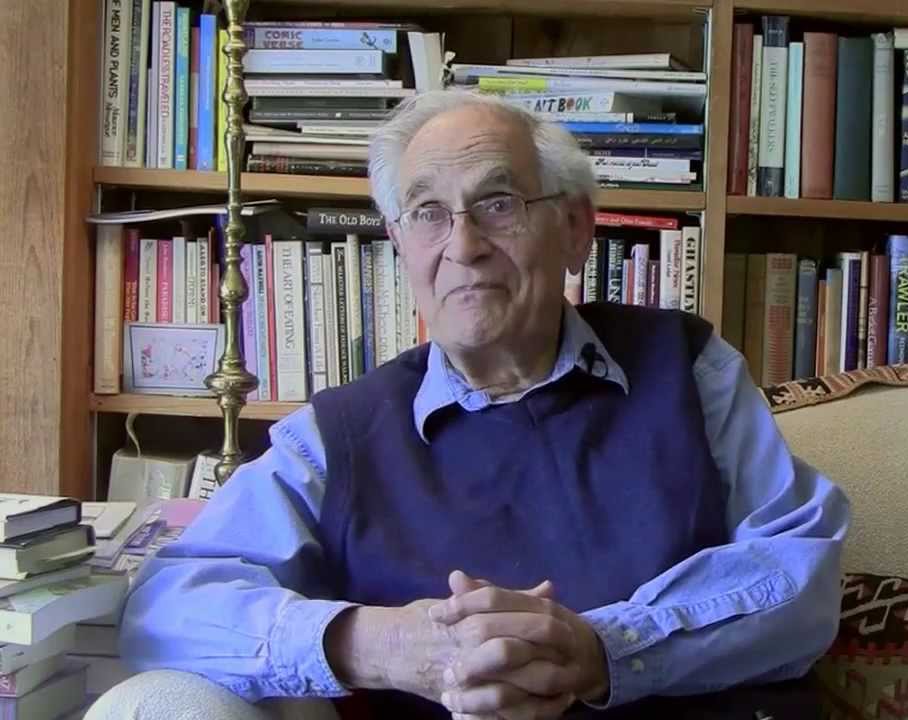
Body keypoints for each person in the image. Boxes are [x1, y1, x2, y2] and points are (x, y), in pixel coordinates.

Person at [90, 90, 850, 720]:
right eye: (426, 212)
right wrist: (373, 644)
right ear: (400, 244)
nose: (463, 243)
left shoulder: (689, 370)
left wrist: (600, 650)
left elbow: (803, 575)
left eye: (498, 202)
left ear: (576, 229)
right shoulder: (336, 436)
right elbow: (167, 607)